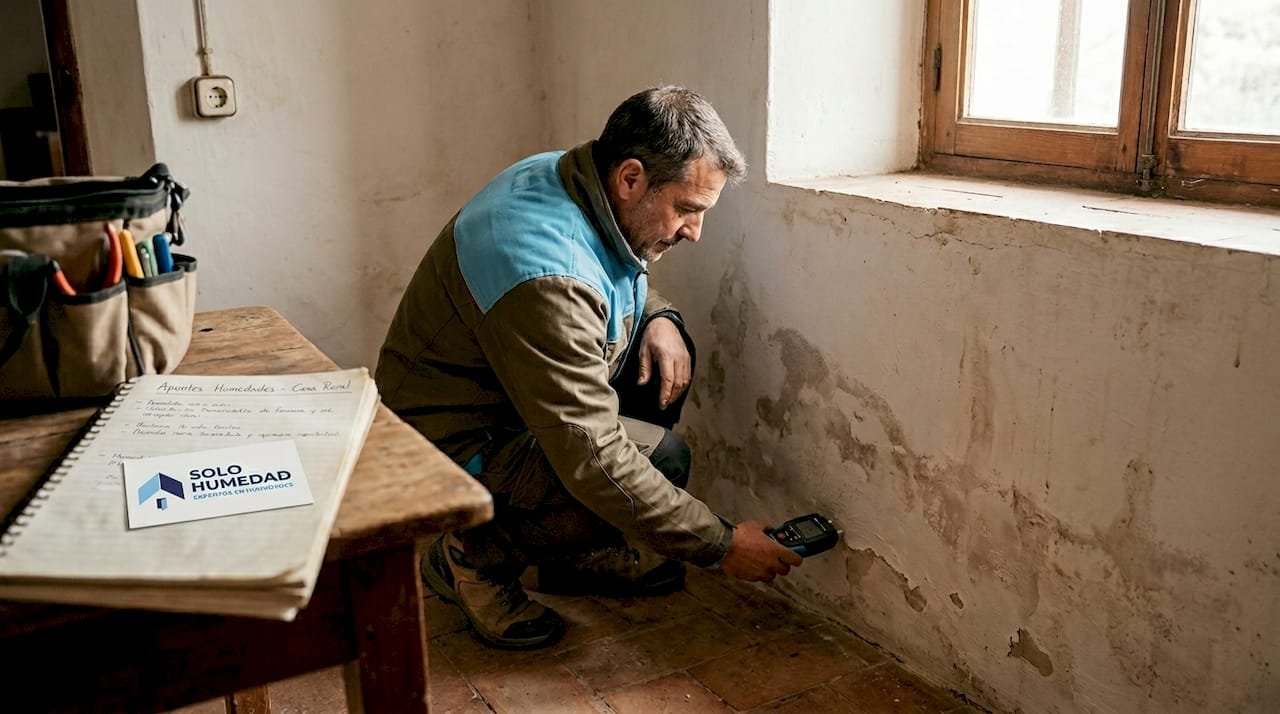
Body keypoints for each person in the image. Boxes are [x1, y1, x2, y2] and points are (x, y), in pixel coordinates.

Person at [376, 86, 802, 650]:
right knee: (657, 462)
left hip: (501, 399)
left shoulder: (570, 175)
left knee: (665, 366)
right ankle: (471, 557)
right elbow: (592, 456)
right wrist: (721, 544)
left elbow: (610, 261)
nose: (695, 232)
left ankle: (574, 554)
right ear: (631, 178)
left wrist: (660, 316)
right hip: (448, 447)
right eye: (688, 209)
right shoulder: (544, 275)